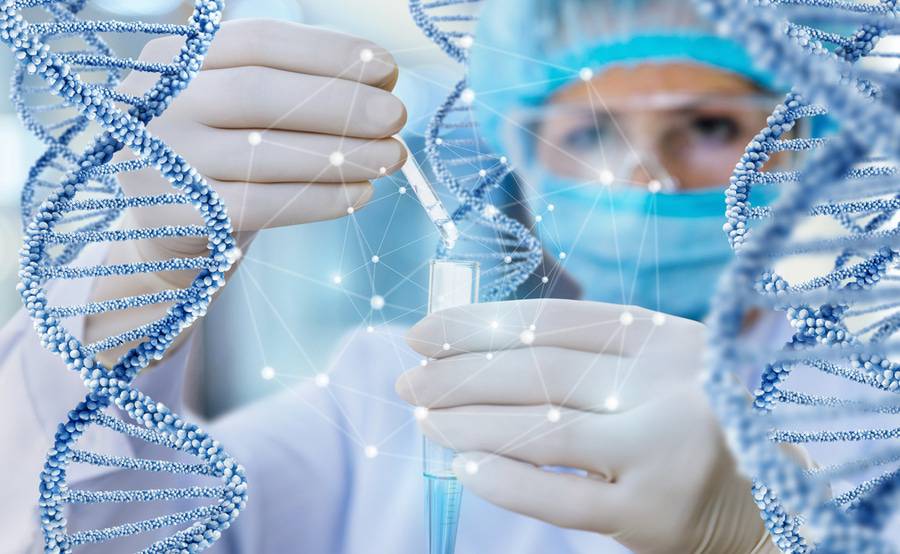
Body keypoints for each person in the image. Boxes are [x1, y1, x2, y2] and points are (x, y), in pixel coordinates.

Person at [0, 3, 806, 553]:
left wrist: (787, 530)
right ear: (524, 153)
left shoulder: (873, 410)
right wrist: (139, 272)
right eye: (591, 131)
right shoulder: (384, 391)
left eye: (708, 125)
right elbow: (85, 531)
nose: (643, 173)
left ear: (805, 144)